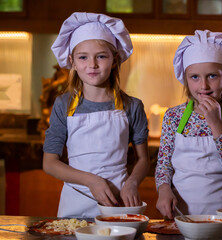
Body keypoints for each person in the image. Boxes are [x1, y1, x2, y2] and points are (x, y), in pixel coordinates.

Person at [43, 12, 150, 218]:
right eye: (83, 57)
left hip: (117, 202)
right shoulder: (63, 105)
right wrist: (92, 180)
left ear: (114, 60)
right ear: (72, 61)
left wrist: (132, 183)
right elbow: (49, 163)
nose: (92, 65)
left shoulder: (132, 106)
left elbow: (143, 159)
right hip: (75, 201)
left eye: (101, 56)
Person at [155, 30, 222, 219]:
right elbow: (164, 165)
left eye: (212, 76)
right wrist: (164, 189)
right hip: (180, 214)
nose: (204, 86)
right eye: (195, 77)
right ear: (186, 79)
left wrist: (217, 125)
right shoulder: (174, 116)